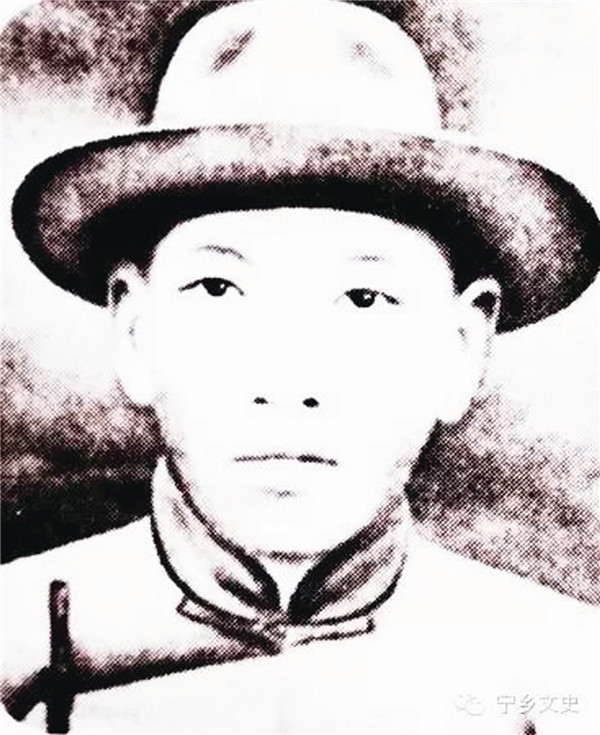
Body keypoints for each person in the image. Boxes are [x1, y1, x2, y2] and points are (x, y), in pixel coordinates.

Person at [1, 2, 598, 733]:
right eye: (217, 288)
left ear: (461, 347)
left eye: (365, 297)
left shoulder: (566, 674)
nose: (288, 382)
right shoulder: (12, 642)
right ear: (134, 330)